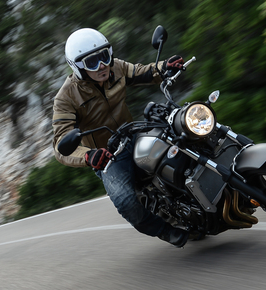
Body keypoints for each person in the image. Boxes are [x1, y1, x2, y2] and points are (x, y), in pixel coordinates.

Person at [52, 27, 195, 247]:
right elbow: (61, 144)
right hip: (108, 156)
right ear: (78, 66)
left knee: (184, 139)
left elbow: (143, 72)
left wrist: (164, 67)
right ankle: (165, 231)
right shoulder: (66, 98)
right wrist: (89, 156)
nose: (102, 65)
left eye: (104, 56)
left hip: (135, 134)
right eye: (92, 62)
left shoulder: (115, 67)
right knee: (126, 201)